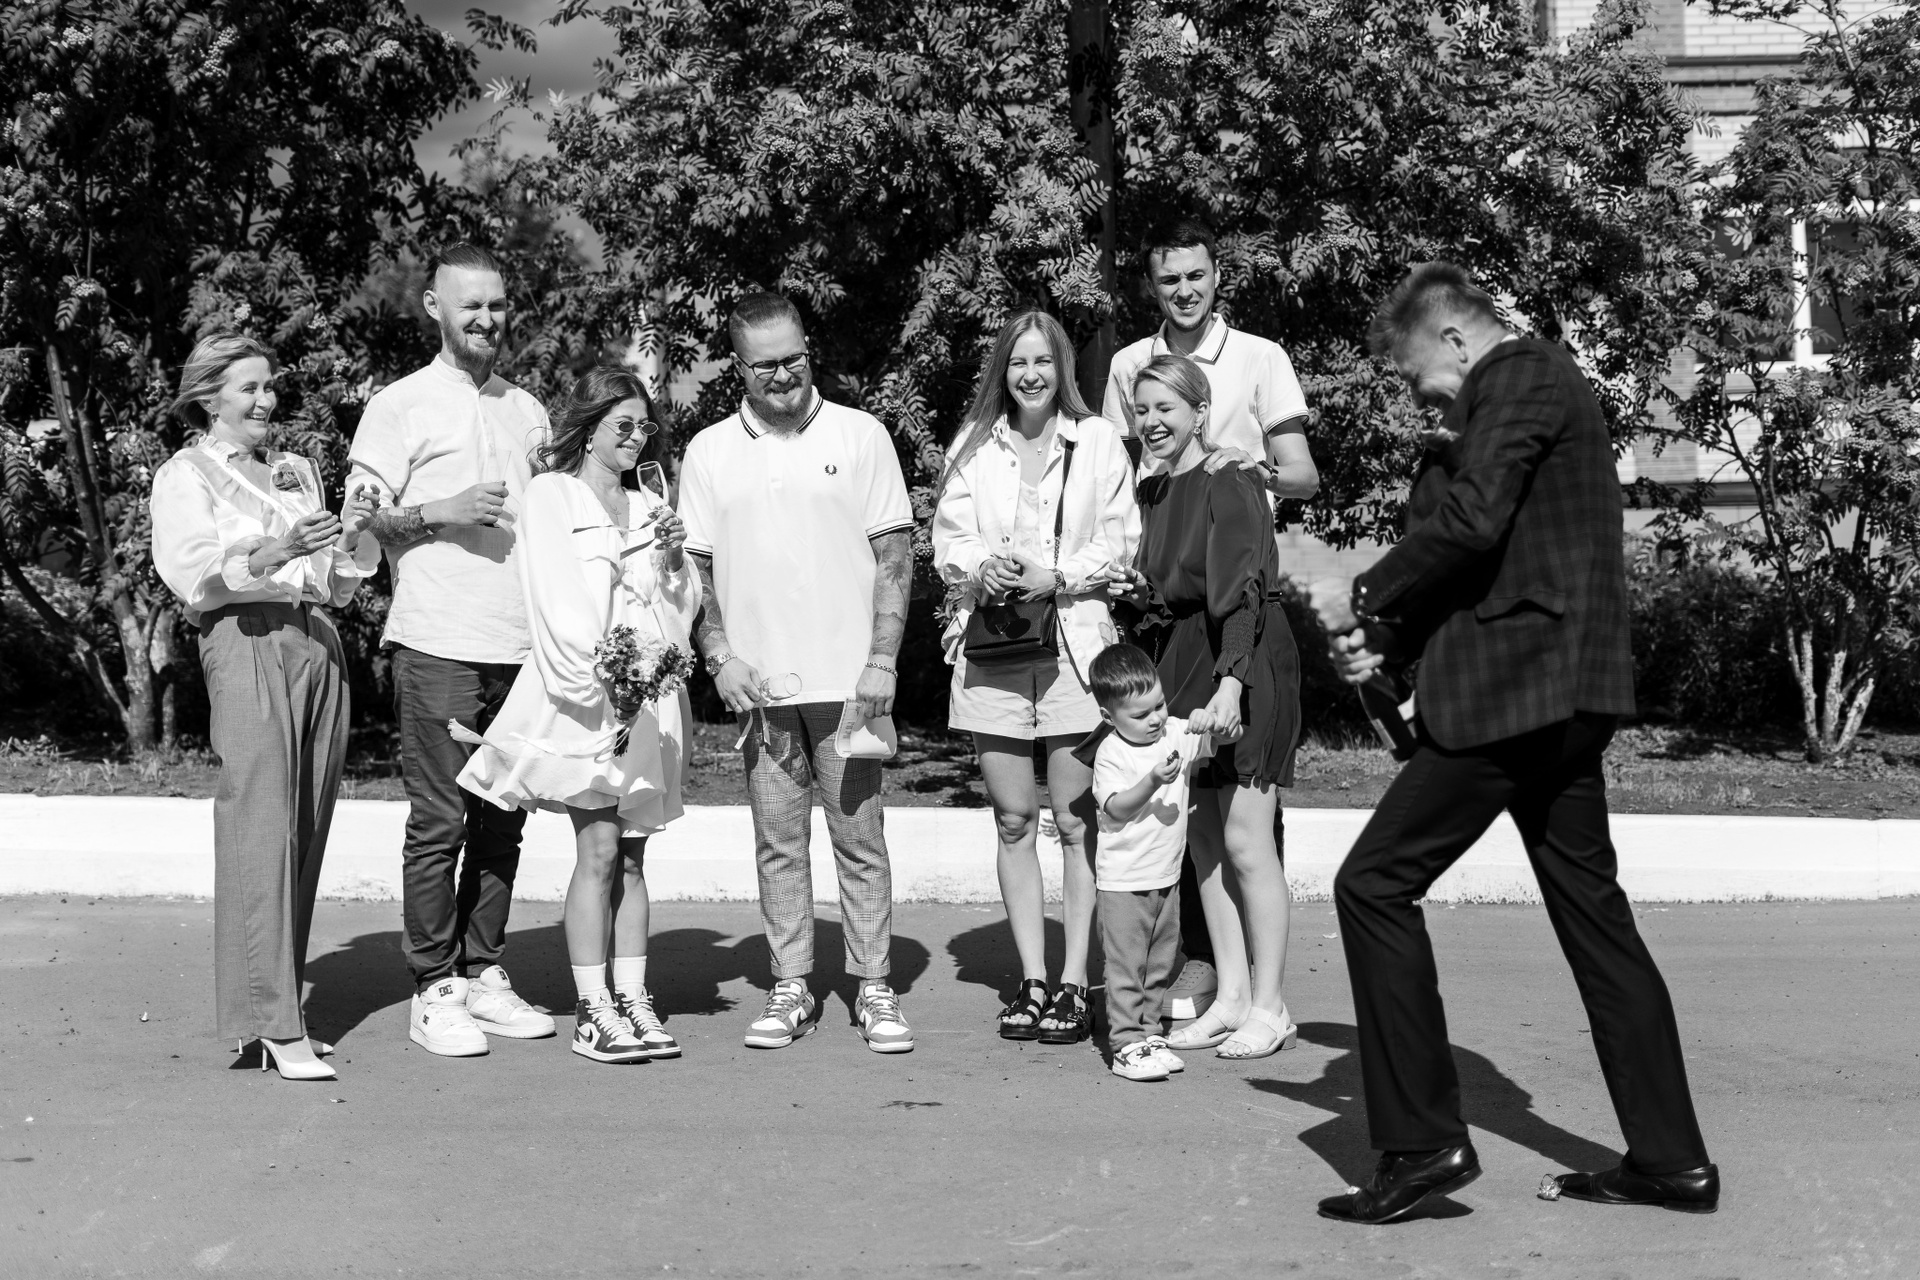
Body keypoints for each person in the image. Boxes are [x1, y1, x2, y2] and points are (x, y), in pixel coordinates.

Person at [1309, 263, 1715, 1224]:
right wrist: (1387, 641)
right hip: (1552, 697)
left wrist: (1365, 594)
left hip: (1520, 695)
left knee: (1372, 885)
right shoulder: (1506, 405)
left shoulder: (1524, 372)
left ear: (1455, 339)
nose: (1422, 399)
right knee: (1595, 919)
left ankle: (1423, 1146)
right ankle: (1670, 1161)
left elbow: (1474, 517)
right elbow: (1486, 551)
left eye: (1418, 377)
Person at [678, 291, 918, 1054]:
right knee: (778, 843)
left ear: (809, 351)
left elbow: (895, 557)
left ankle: (874, 985)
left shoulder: (861, 434)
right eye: (765, 365)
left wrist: (882, 660)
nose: (783, 375)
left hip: (851, 686)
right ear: (738, 369)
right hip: (760, 688)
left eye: (794, 358)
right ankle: (791, 986)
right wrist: (719, 655)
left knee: (860, 840)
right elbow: (694, 569)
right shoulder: (709, 451)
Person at [1101, 217, 1320, 1021]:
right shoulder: (1135, 399)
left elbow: (1296, 487)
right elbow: (1123, 482)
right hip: (1180, 648)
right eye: (1169, 279)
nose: (1184, 290)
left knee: (1246, 839)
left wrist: (1251, 467)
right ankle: (1228, 993)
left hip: (1242, 637)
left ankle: (1267, 1001)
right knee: (1203, 836)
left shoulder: (1257, 368)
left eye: (1197, 275)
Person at [346, 243, 558, 1056]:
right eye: (470, 304)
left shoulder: (527, 409)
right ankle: (433, 987)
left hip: (524, 646)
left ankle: (482, 973)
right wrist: (443, 509)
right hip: (437, 639)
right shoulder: (398, 405)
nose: (486, 319)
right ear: (434, 306)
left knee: (503, 820)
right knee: (441, 822)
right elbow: (361, 520)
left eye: (497, 305)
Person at [150, 333, 376, 1080]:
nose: (265, 399)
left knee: (303, 829)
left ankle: (273, 1015)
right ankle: (275, 1022)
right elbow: (195, 577)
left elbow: (333, 582)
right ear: (209, 396)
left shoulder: (295, 469)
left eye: (269, 385)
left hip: (315, 642)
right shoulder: (185, 474)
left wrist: (351, 532)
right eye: (248, 387)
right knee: (260, 825)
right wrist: (278, 551)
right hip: (244, 639)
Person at [456, 368, 697, 1064]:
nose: (636, 438)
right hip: (590, 697)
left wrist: (673, 558)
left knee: (634, 856)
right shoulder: (552, 495)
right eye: (623, 425)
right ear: (588, 428)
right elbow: (555, 602)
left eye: (645, 427)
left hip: (650, 700)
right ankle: (593, 1011)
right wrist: (604, 684)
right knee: (598, 849)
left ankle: (634, 999)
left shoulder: (650, 503)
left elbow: (676, 606)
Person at [931, 309, 1140, 1045]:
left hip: (1074, 650)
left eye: (1043, 362)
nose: (1030, 375)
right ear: (1003, 369)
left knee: (1077, 823)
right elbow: (947, 541)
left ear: (1062, 369)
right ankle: (1031, 981)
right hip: (993, 651)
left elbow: (1122, 542)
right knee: (1014, 819)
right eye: (1018, 362)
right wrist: (978, 565)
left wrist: (1058, 576)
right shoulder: (972, 443)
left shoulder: (1098, 440)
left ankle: (1076, 983)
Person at [1085, 643, 1238, 1082]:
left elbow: (1228, 738)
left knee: (1158, 965)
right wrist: (1152, 780)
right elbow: (1116, 808)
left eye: (1159, 705)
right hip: (1123, 882)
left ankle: (1149, 1034)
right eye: (1140, 714)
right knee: (1126, 967)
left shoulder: (1173, 731)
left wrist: (1214, 722)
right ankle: (1124, 1044)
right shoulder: (1112, 753)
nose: (1154, 719)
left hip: (1166, 876)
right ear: (1109, 716)